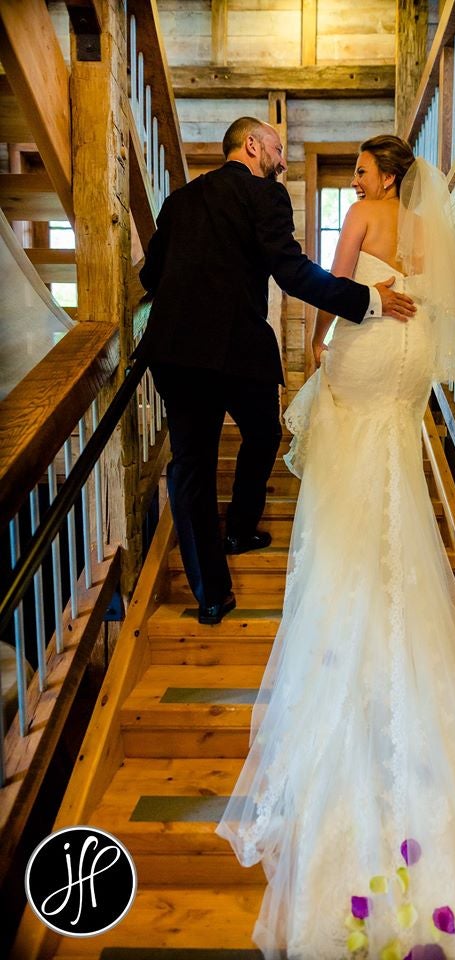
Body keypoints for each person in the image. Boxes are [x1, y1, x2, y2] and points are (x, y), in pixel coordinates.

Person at [216, 136, 455, 959]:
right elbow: (444, 306)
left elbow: (334, 292)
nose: (357, 181)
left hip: (368, 349)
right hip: (407, 370)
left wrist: (326, 349)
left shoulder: (365, 215)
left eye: (363, 170)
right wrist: (400, 310)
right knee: (394, 450)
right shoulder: (431, 230)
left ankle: (342, 561)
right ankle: (381, 563)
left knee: (338, 421)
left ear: (386, 175)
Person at [136, 118, 415, 625]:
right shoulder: (265, 195)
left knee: (191, 467)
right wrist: (369, 299)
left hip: (175, 352)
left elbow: (149, 276)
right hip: (239, 351)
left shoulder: (177, 202)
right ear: (251, 145)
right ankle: (239, 529)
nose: (282, 160)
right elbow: (292, 272)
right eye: (278, 149)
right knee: (263, 435)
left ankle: (211, 594)